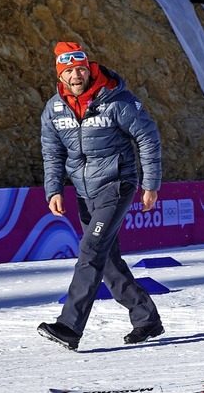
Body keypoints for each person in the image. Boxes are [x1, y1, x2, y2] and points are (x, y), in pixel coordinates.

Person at [38, 42, 164, 350]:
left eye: (80, 68)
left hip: (117, 183)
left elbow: (148, 137)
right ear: (61, 75)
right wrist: (53, 189)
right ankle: (146, 317)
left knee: (91, 249)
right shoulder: (54, 108)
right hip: (84, 191)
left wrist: (151, 184)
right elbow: (51, 151)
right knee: (106, 260)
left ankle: (69, 326)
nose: (76, 75)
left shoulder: (117, 100)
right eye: (69, 71)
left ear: (89, 67)